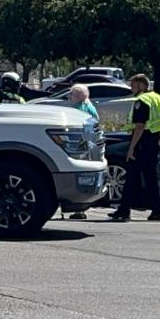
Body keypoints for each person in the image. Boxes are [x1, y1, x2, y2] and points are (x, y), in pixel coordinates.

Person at [110, 74, 160, 222]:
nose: (131, 88)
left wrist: (132, 147)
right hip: (154, 142)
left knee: (131, 176)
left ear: (142, 85)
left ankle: (124, 211)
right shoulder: (158, 98)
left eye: (133, 85)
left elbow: (140, 126)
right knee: (152, 178)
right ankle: (157, 210)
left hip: (142, 142)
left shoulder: (142, 100)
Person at [66, 84, 98, 220]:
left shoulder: (79, 108)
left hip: (81, 146)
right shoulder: (90, 106)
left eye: (71, 94)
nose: (69, 96)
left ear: (78, 96)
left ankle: (79, 209)